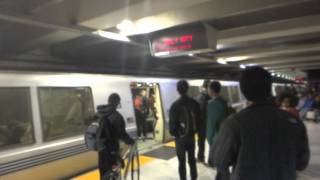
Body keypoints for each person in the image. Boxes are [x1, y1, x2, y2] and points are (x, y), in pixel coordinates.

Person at [211, 66, 310, 180]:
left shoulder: (234, 123)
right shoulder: (293, 122)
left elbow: (219, 160)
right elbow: (302, 163)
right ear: (269, 88)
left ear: (243, 91)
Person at [98, 93, 135, 179]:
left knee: (104, 174)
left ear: (108, 101)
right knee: (114, 174)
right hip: (112, 152)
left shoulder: (99, 113)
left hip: (101, 151)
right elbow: (122, 134)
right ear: (117, 102)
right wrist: (131, 141)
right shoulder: (117, 116)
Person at [169, 80, 201, 180]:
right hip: (191, 137)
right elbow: (199, 119)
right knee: (192, 160)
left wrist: (175, 133)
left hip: (180, 139)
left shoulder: (175, 105)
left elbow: (172, 125)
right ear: (187, 89)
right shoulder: (194, 103)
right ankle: (194, 177)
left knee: (181, 162)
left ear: (177, 90)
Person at [206, 81, 228, 147]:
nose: (207, 91)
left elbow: (211, 123)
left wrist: (209, 138)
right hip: (225, 134)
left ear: (212, 90)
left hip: (216, 138)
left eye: (208, 89)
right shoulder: (224, 102)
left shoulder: (212, 104)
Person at [195, 80, 211, 163]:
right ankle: (211, 160)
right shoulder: (210, 97)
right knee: (211, 142)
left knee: (201, 142)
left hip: (201, 124)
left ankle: (200, 157)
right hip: (208, 124)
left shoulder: (199, 97)